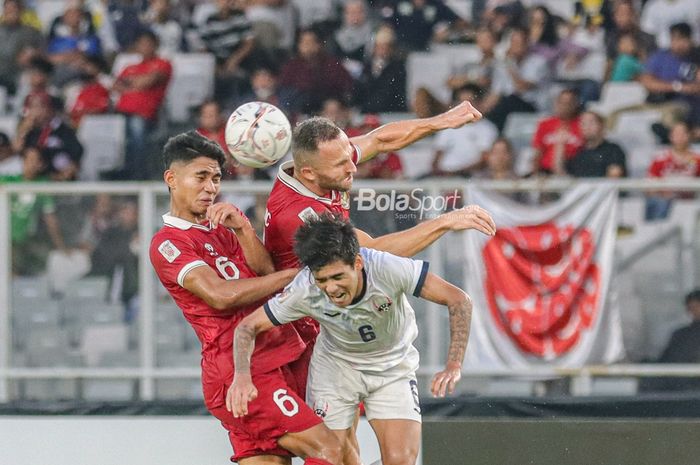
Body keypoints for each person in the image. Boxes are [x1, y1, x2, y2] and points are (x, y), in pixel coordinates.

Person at [264, 101, 496, 464]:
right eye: (342, 164)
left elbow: (380, 139)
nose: (352, 166)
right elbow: (372, 254)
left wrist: (441, 121)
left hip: (342, 312)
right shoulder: (299, 215)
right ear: (309, 174)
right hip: (309, 323)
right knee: (332, 455)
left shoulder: (321, 164)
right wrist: (445, 222)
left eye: (348, 157)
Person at [149, 130, 341, 465]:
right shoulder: (168, 243)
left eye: (216, 178)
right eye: (201, 177)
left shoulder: (222, 229)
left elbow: (266, 272)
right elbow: (220, 296)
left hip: (279, 354)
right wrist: (302, 273)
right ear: (172, 179)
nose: (211, 188)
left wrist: (243, 229)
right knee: (331, 451)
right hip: (244, 371)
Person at [228, 214, 473, 465]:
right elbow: (246, 327)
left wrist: (454, 364)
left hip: (393, 366)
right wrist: (242, 375)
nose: (331, 288)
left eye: (338, 277)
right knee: (332, 458)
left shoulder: (388, 268)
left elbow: (458, 299)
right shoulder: (305, 289)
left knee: (400, 461)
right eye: (322, 280)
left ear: (357, 262)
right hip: (336, 369)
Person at [431, 84, 498, 177]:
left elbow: (484, 161)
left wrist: (457, 172)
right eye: (461, 103)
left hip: (471, 177)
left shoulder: (487, 129)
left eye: (470, 102)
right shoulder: (447, 125)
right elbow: (437, 156)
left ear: (479, 103)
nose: (464, 107)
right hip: (445, 176)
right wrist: (438, 171)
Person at [645, 121, 700, 220]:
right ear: (671, 136)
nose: (680, 137)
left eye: (683, 133)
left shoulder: (697, 159)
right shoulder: (660, 158)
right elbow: (650, 187)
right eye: (676, 134)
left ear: (689, 135)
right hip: (663, 201)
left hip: (688, 202)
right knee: (658, 203)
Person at [531, 88, 583, 176]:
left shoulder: (581, 125)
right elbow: (538, 152)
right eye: (561, 102)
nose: (564, 106)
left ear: (575, 105)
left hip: (572, 171)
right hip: (546, 171)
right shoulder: (544, 124)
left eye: (568, 103)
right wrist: (535, 174)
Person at [565, 111, 627, 178]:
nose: (587, 127)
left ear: (601, 126)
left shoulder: (613, 149)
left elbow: (614, 176)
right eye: (583, 123)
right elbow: (564, 176)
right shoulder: (577, 152)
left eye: (591, 122)